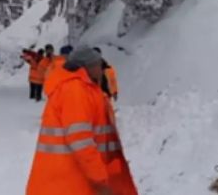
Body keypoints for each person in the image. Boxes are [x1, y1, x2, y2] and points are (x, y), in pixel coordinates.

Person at [26, 46, 138, 195]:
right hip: (67, 181)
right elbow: (81, 140)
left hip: (72, 179)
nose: (101, 69)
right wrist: (100, 180)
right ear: (88, 67)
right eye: (99, 64)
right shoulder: (75, 90)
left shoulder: (86, 89)